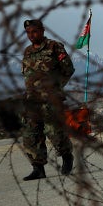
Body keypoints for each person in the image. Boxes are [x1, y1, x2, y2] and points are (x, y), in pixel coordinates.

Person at [21, 19, 75, 181]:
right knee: (31, 134)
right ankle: (38, 168)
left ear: (42, 30)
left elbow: (68, 69)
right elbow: (27, 75)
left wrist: (56, 88)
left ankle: (66, 156)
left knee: (54, 131)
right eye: (28, 32)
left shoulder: (54, 47)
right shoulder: (28, 51)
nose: (32, 35)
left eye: (35, 31)